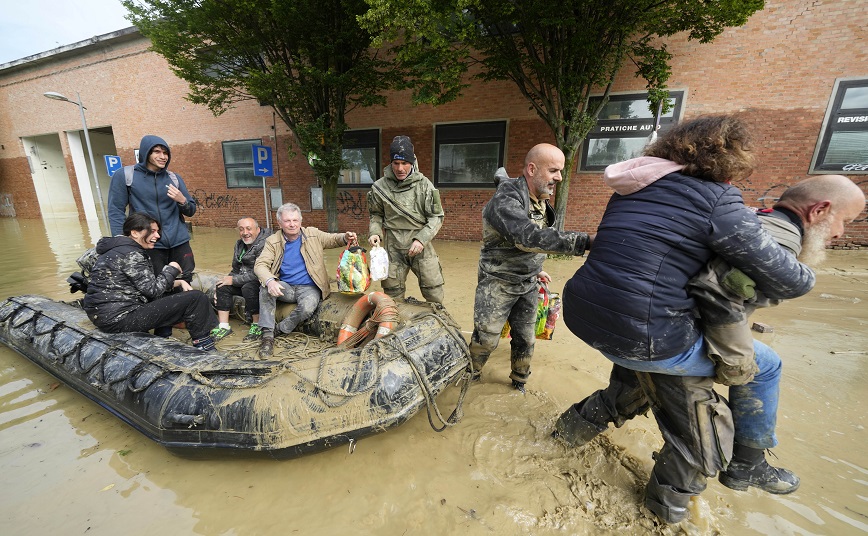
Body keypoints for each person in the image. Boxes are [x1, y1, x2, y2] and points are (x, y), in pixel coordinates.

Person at [553, 115, 820, 524]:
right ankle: (721, 481)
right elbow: (788, 280)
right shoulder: (718, 200)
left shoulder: (631, 190)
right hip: (646, 334)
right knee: (765, 367)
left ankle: (559, 438)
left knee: (634, 386)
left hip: (588, 316)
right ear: (729, 159)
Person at [468, 143, 593, 393]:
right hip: (498, 281)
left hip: (529, 282)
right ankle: (470, 374)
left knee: (526, 337)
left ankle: (519, 381)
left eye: (561, 171)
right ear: (532, 169)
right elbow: (526, 237)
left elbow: (539, 237)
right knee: (487, 338)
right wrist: (586, 241)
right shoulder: (505, 200)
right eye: (554, 171)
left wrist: (537, 268)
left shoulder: (540, 198)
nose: (559, 177)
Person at [83, 212, 218, 351]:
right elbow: (153, 291)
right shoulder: (132, 254)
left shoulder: (116, 250)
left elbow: (144, 285)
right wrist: (172, 268)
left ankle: (162, 336)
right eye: (152, 231)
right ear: (135, 233)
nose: (158, 236)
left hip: (104, 316)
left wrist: (180, 282)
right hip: (120, 319)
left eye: (158, 231)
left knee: (168, 295)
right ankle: (204, 346)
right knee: (196, 298)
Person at [107, 135, 197, 338]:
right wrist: (122, 242)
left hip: (179, 241)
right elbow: (115, 211)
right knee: (155, 286)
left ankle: (183, 319)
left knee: (185, 279)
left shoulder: (174, 178)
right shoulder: (126, 176)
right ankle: (162, 332)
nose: (162, 156)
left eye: (165, 152)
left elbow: (191, 210)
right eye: (157, 151)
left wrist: (182, 200)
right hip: (149, 243)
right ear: (146, 152)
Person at [254, 203, 357, 358]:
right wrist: (270, 281)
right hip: (286, 287)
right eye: (287, 221)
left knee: (308, 307)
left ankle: (280, 329)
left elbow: (333, 239)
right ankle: (267, 336)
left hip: (309, 287)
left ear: (301, 221)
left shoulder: (313, 234)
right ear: (280, 223)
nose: (292, 224)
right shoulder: (272, 241)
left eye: (295, 220)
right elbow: (260, 265)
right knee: (264, 288)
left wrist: (345, 237)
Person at [367, 135, 445, 303]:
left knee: (433, 291)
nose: (400, 168)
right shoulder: (379, 188)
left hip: (420, 244)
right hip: (392, 245)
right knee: (392, 295)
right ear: (391, 163)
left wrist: (421, 240)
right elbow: (376, 214)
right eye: (396, 163)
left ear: (412, 162)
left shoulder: (425, 185)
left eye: (405, 163)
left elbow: (436, 217)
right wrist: (375, 232)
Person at [211, 217, 271, 342]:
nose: (245, 232)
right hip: (243, 278)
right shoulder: (239, 244)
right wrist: (226, 280)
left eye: (249, 229)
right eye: (241, 229)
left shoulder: (265, 244)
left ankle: (257, 325)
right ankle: (224, 326)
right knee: (222, 285)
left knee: (248, 287)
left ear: (257, 229)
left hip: (260, 281)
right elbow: (235, 269)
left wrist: (233, 280)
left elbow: (260, 272)